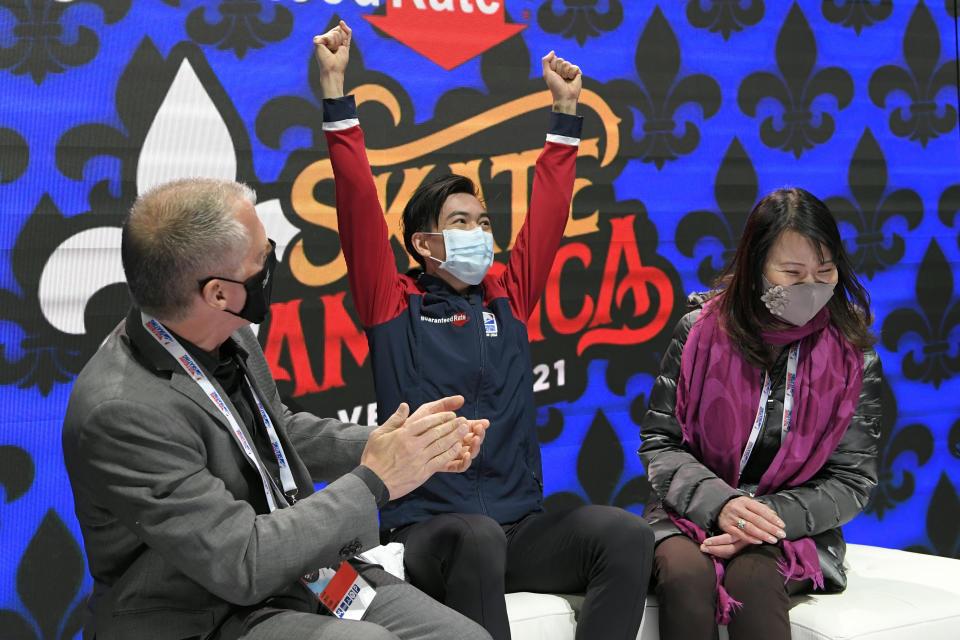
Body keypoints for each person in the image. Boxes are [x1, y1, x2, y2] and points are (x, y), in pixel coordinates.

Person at [314, 20, 654, 640]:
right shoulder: (394, 305)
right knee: (472, 538)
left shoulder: (508, 297)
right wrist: (337, 93)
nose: (480, 233)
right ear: (423, 243)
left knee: (626, 534)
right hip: (430, 532)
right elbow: (358, 201)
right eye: (460, 222)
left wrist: (565, 111)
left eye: (483, 220)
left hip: (518, 527)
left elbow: (549, 214)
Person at [62, 177, 495, 640]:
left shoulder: (228, 329)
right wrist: (376, 480)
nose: (272, 257)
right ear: (219, 293)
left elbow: (276, 432)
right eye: (260, 255)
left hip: (307, 572)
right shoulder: (120, 412)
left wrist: (394, 445)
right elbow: (242, 562)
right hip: (204, 612)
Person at [638, 188, 883, 640]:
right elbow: (659, 442)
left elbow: (852, 480)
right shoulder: (697, 333)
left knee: (751, 577)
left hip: (792, 527)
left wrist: (759, 517)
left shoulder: (853, 354)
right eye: (792, 273)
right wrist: (722, 503)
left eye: (824, 272)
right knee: (685, 575)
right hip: (688, 511)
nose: (811, 287)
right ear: (755, 268)